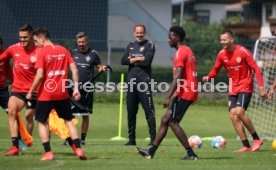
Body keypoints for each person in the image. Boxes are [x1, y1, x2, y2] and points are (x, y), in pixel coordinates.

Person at [136, 26, 199, 160]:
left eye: (170, 37)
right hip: (188, 90)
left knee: (172, 122)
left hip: (186, 91)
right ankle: (151, 152)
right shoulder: (187, 50)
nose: (168, 40)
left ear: (177, 38)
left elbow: (178, 76)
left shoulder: (180, 52)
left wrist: (168, 96)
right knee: (165, 120)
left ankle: (191, 153)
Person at [26, 27, 87, 160]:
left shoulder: (42, 53)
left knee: (42, 121)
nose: (35, 44)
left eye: (36, 41)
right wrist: (76, 89)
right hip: (62, 94)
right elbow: (74, 70)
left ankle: (48, 152)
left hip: (46, 94)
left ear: (42, 38)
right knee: (69, 121)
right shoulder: (64, 50)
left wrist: (30, 91)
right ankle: (79, 150)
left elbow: (40, 75)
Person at [202, 29, 266, 152]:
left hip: (245, 85)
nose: (222, 42)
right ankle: (246, 145)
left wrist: (262, 88)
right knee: (233, 116)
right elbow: (215, 69)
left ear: (231, 40)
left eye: (224, 39)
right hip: (233, 87)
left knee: (239, 112)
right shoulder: (221, 54)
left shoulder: (243, 52)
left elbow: (256, 69)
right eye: (221, 40)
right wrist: (209, 76)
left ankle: (257, 139)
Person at [0, 25, 38, 155]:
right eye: (20, 37)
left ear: (32, 36)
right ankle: (15, 147)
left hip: (35, 90)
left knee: (29, 116)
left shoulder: (39, 51)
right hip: (17, 90)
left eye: (25, 37)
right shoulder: (13, 48)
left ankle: (28, 138)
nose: (22, 40)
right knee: (12, 111)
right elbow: (2, 58)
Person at [63, 32, 106, 146]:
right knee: (69, 114)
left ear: (87, 41)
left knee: (85, 114)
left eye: (83, 42)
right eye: (79, 42)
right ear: (77, 42)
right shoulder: (72, 52)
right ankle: (69, 138)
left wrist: (102, 68)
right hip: (74, 87)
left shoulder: (93, 53)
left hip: (87, 88)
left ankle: (82, 139)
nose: (81, 44)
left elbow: (99, 67)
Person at [121, 24, 156, 145]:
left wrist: (132, 59)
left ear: (144, 33)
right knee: (131, 112)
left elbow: (147, 62)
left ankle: (153, 139)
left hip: (144, 83)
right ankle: (131, 140)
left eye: (141, 32)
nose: (139, 34)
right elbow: (123, 60)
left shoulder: (149, 44)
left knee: (149, 112)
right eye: (137, 32)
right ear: (134, 33)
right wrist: (138, 59)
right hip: (131, 83)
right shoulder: (130, 45)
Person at [0, 36, 13, 113]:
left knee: (11, 111)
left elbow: (8, 70)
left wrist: (14, 81)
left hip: (2, 89)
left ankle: (16, 125)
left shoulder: (5, 54)